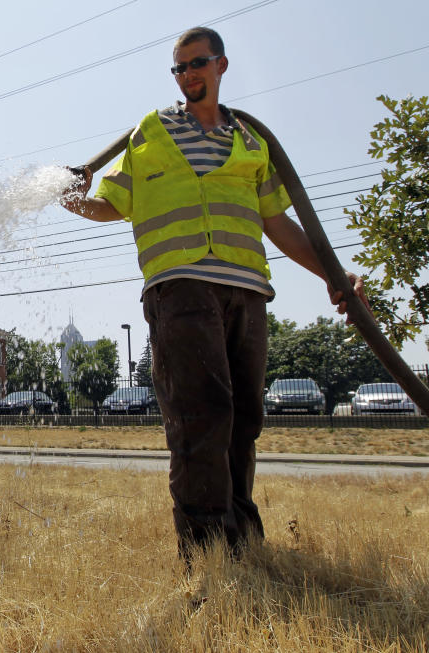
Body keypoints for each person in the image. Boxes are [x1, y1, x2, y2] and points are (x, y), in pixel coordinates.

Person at [61, 26, 368, 563]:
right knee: (202, 414)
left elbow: (279, 222)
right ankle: (206, 556)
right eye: (178, 69)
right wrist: (71, 199)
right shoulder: (149, 133)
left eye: (196, 64)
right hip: (178, 287)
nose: (187, 76)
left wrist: (332, 278)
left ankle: (242, 543)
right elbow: (111, 204)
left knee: (244, 418)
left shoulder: (251, 142)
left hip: (247, 291)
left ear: (221, 66)